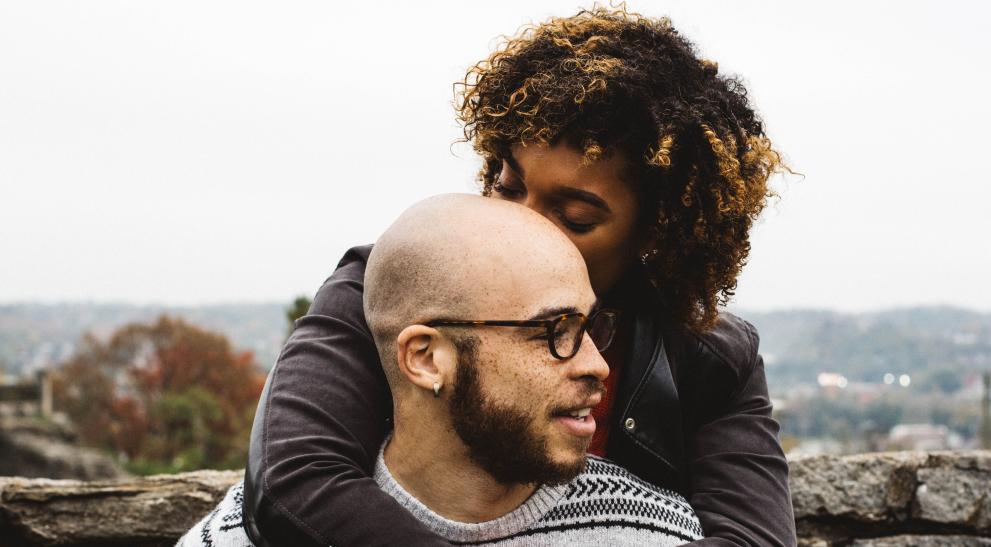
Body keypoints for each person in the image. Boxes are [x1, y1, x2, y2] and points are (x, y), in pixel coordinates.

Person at [244, 6, 796, 546]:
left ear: (656, 232)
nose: (522, 222)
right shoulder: (392, 289)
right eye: (508, 187)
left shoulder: (712, 357)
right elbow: (293, 484)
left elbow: (752, 537)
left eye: (575, 217)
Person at [181, 195, 704, 546]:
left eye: (593, 326)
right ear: (427, 358)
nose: (597, 365)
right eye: (554, 331)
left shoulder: (654, 533)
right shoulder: (236, 539)